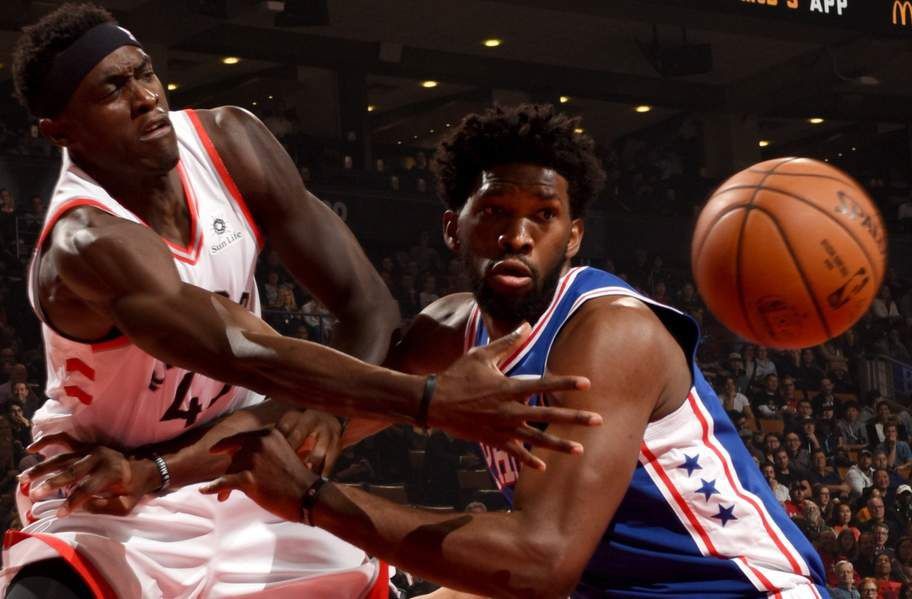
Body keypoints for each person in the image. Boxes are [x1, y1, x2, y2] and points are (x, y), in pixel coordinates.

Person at [6, 10, 596, 598]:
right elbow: (242, 351)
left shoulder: (228, 141)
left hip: (238, 460)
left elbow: (367, 303)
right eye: (113, 89)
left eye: (145, 74)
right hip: (109, 483)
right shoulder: (85, 240)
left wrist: (331, 413)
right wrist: (430, 401)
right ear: (59, 129)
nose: (145, 98)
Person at [199, 104, 828, 597]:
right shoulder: (447, 333)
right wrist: (160, 469)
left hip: (734, 589)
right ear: (454, 226)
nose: (518, 235)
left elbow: (540, 564)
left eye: (544, 215)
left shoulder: (610, 332)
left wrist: (313, 500)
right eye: (495, 210)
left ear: (573, 235)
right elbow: (312, 421)